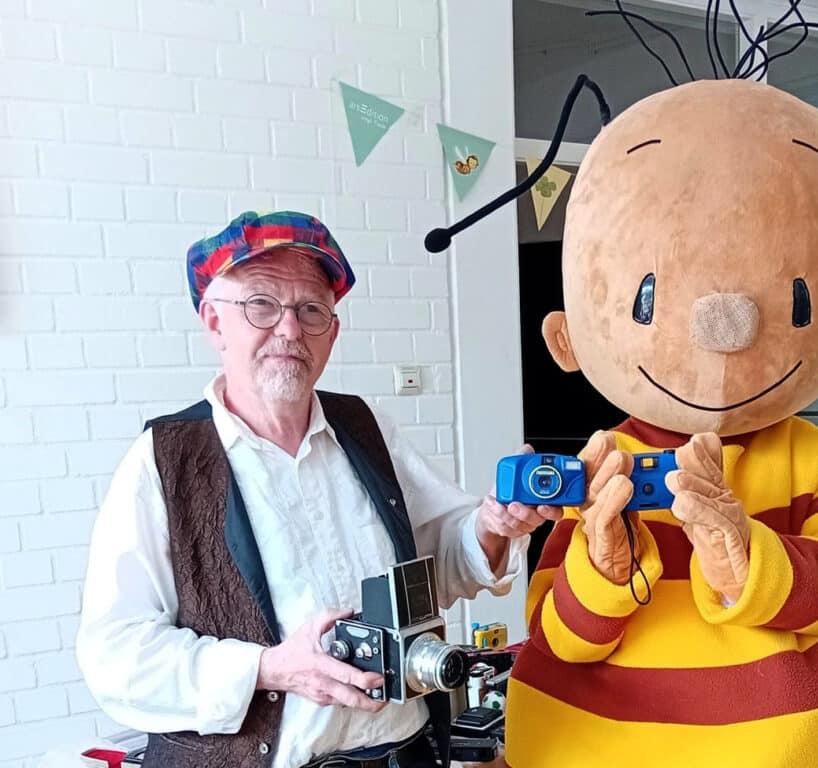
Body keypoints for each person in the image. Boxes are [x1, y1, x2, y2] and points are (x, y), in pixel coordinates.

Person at [77, 210, 560, 768]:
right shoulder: (162, 461)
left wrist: (493, 526)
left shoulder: (367, 429)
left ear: (332, 332)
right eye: (261, 305)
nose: (289, 329)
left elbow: (441, 559)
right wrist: (269, 669)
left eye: (311, 309)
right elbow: (114, 657)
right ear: (214, 323)